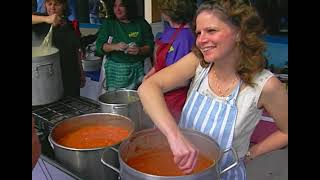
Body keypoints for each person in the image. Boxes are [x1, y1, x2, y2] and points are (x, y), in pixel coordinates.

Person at [138, 0, 288, 179]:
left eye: (211, 31)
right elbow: (148, 87)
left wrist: (251, 153)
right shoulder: (199, 63)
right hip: (185, 171)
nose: (201, 40)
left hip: (224, 174)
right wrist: (174, 136)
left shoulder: (265, 85)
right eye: (198, 32)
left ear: (239, 33)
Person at [143, 0, 196, 122]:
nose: (160, 10)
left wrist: (153, 91)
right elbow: (162, 63)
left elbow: (183, 80)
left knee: (169, 129)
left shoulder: (185, 36)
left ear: (170, 11)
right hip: (162, 90)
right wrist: (152, 73)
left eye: (162, 8)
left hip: (175, 97)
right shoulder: (169, 30)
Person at [95, 0, 154, 91]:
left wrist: (140, 50)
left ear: (129, 7)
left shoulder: (141, 23)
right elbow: (99, 46)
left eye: (121, 6)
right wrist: (115, 46)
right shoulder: (109, 23)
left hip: (139, 71)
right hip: (114, 73)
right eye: (115, 6)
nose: (117, 10)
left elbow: (150, 46)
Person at [32, 0, 85, 97]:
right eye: (49, 3)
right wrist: (46, 19)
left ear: (64, 6)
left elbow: (76, 51)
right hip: (50, 77)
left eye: (57, 4)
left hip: (71, 75)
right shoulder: (40, 22)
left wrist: (81, 73)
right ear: (45, 5)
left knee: (72, 107)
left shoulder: (71, 25)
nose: (52, 7)